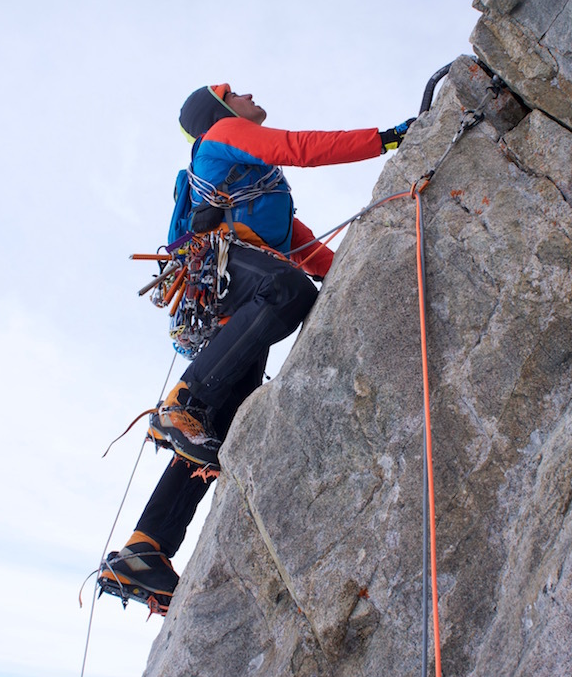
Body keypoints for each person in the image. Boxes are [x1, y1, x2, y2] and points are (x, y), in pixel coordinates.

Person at [100, 84, 414, 608]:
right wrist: (386, 141)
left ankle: (145, 549)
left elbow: (302, 244)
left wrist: (358, 280)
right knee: (289, 290)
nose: (246, 93)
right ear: (218, 111)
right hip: (234, 277)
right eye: (232, 92)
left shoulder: (257, 189)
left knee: (217, 437)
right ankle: (184, 401)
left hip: (236, 302)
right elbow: (296, 146)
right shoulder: (222, 136)